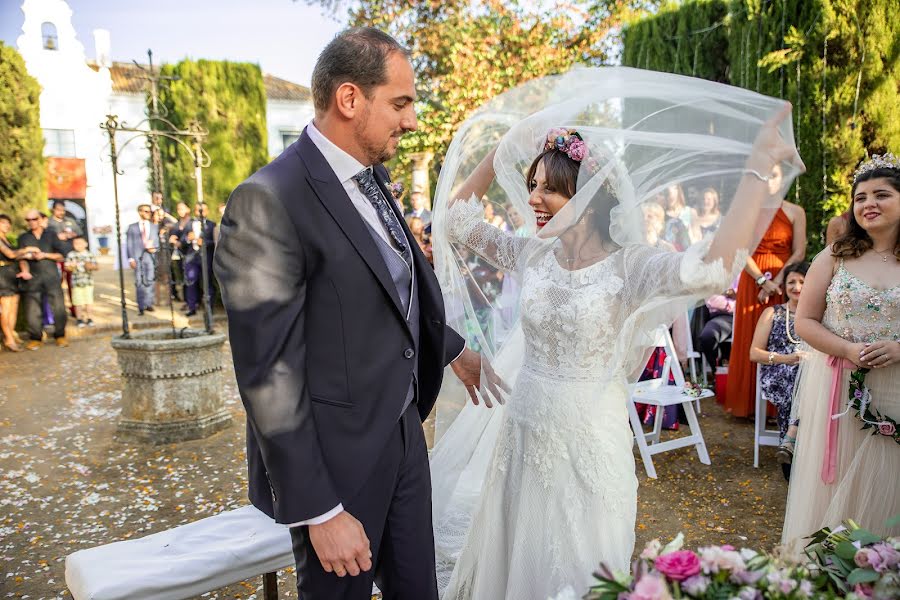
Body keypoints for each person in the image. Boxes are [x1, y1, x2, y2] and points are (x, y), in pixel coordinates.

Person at [429, 67, 802, 599]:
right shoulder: (532, 254)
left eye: (549, 191)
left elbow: (712, 270)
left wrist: (757, 168)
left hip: (590, 444)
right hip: (524, 430)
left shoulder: (632, 268)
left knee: (580, 565)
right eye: (531, 185)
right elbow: (456, 221)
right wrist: (507, 146)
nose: (533, 199)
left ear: (590, 197)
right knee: (516, 559)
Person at [213, 28, 497, 600]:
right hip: (335, 463)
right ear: (349, 99)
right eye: (400, 103)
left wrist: (453, 347)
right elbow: (268, 374)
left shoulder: (372, 181)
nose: (412, 120)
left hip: (402, 438)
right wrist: (320, 510)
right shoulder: (268, 200)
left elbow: (383, 298)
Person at [782, 153, 900, 546]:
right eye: (860, 197)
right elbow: (805, 321)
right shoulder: (833, 257)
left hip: (896, 388)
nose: (868, 204)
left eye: (881, 194)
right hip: (839, 390)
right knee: (837, 491)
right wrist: (847, 350)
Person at [723, 164, 807, 417]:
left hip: (784, 279)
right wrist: (761, 281)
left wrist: (779, 281)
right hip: (753, 279)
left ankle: (777, 405)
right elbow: (740, 250)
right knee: (751, 335)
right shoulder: (747, 212)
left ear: (783, 179)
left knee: (780, 337)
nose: (769, 180)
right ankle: (747, 404)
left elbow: (800, 250)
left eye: (774, 175)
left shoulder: (795, 211)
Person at [749, 261, 808, 467]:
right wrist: (787, 359)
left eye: (802, 281)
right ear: (784, 287)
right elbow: (754, 353)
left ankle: (790, 440)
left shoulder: (818, 316)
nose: (797, 287)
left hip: (808, 373)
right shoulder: (773, 313)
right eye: (791, 281)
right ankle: (791, 446)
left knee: (810, 378)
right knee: (798, 379)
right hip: (778, 373)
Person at [18, 209, 69, 349]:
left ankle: (60, 335)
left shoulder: (51, 235)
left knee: (58, 306)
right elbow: (21, 258)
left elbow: (61, 255)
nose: (31, 222)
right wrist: (25, 270)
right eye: (28, 220)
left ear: (40, 219)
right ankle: (35, 338)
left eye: (34, 219)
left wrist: (45, 255)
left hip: (51, 276)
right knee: (32, 309)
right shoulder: (23, 237)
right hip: (32, 277)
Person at [0, 214, 38, 352]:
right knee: (6, 308)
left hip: (12, 274)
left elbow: (14, 256)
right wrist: (28, 249)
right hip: (2, 275)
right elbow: (10, 254)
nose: (6, 225)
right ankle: (8, 339)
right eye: (3, 222)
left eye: (8, 223)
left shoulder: (6, 239)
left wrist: (26, 256)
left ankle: (11, 334)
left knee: (13, 307)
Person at [46, 200, 81, 317]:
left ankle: (75, 310)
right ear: (53, 210)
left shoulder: (70, 221)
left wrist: (71, 235)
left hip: (71, 258)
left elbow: (79, 233)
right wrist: (58, 236)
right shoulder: (49, 223)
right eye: (59, 210)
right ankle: (57, 312)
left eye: (63, 210)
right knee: (56, 286)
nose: (61, 212)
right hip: (57, 259)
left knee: (73, 284)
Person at [180, 202, 216, 317]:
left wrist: (205, 243)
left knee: (207, 283)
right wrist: (187, 239)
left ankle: (209, 308)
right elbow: (182, 241)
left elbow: (216, 242)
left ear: (207, 211)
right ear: (194, 211)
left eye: (203, 210)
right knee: (191, 281)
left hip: (206, 258)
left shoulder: (212, 225)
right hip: (191, 258)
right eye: (198, 210)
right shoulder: (189, 224)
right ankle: (192, 307)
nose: (200, 213)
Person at [125, 204, 159, 316]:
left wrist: (153, 248)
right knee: (139, 281)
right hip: (138, 257)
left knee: (150, 280)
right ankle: (141, 305)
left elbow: (157, 242)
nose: (148, 213)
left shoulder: (154, 227)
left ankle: (149, 303)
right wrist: (130, 258)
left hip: (150, 257)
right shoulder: (132, 227)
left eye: (149, 211)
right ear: (140, 212)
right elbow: (129, 244)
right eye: (145, 211)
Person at [64, 236, 98, 327]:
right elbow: (66, 267)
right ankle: (79, 319)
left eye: (80, 243)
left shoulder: (89, 254)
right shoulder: (71, 255)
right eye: (75, 244)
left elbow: (96, 266)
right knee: (78, 302)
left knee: (89, 301)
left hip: (88, 282)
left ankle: (89, 318)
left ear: (86, 244)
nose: (78, 245)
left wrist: (90, 266)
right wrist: (71, 266)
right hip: (76, 283)